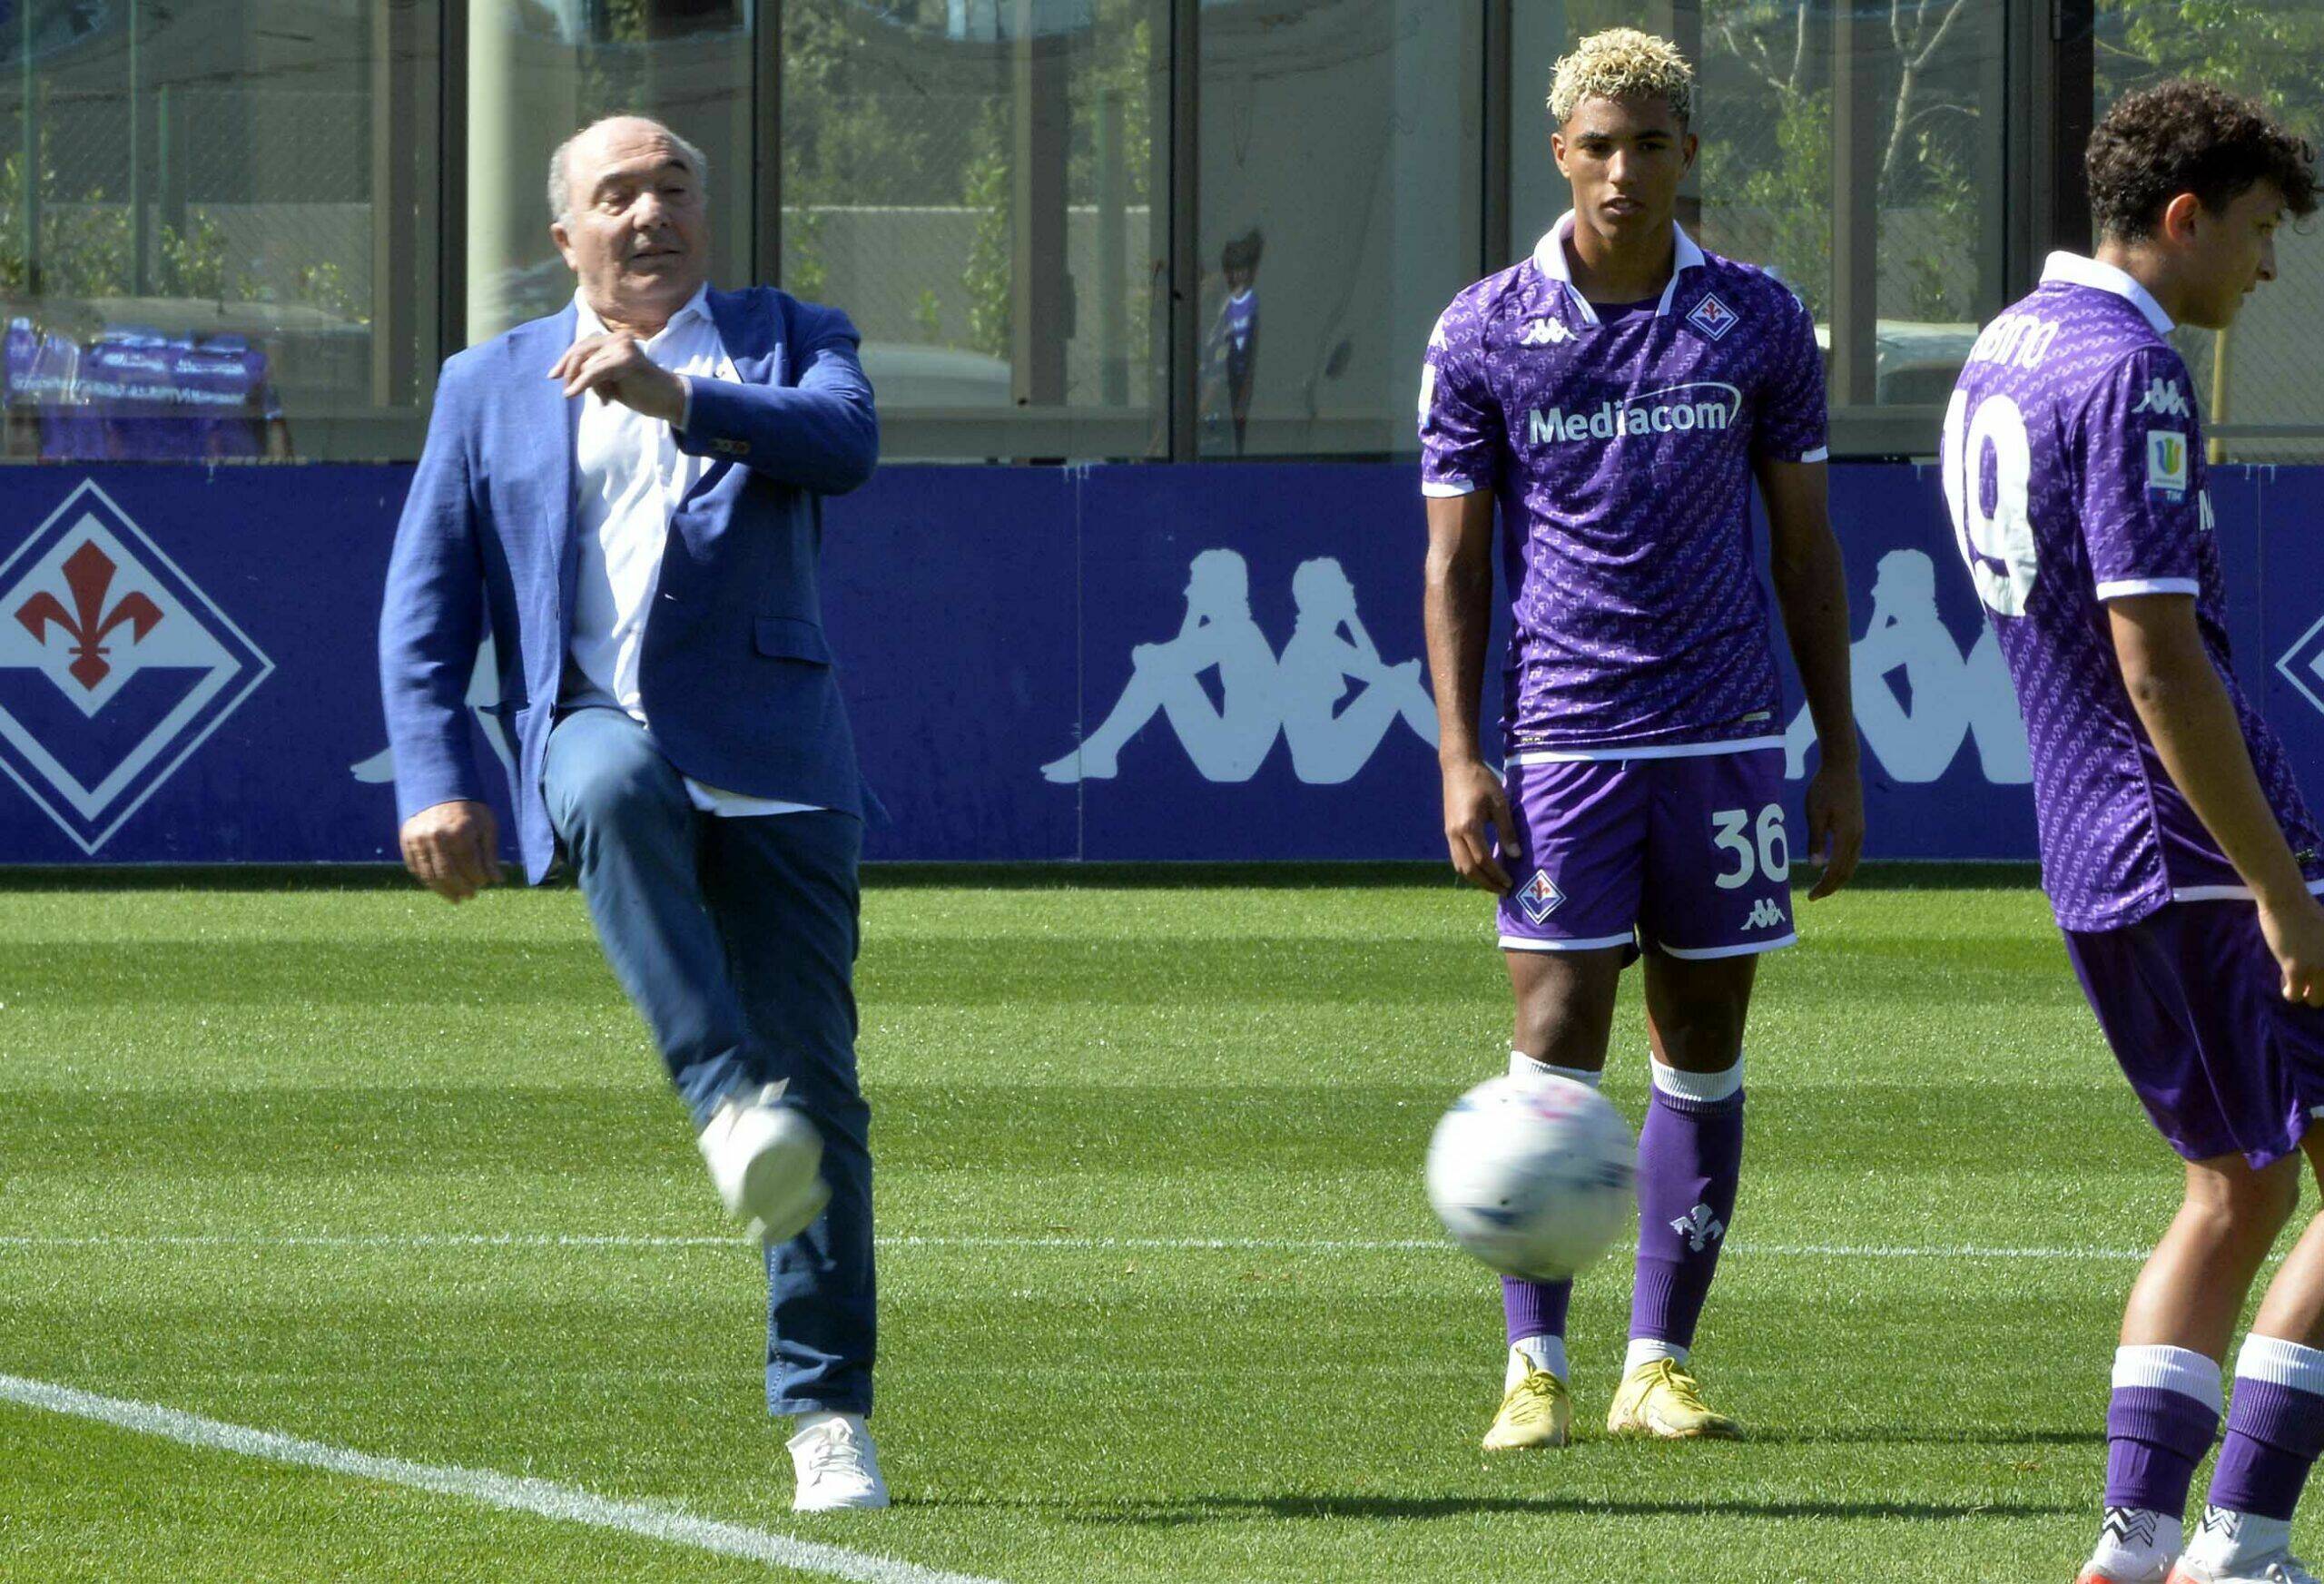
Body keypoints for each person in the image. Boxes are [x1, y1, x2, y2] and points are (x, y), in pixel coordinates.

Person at [377, 114, 887, 1513]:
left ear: (704, 214)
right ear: (567, 235)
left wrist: (678, 396)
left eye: (674, 187)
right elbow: (425, 604)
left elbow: (846, 442)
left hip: (779, 753)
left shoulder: (787, 337)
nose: (651, 211)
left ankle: (827, 1413)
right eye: (618, 194)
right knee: (603, 781)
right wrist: (433, 775)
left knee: (817, 1094)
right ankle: (721, 1100)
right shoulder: (486, 384)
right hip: (597, 722)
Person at [1420, 28, 1862, 1452]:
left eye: (1650, 146)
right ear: (1561, 153)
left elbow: (1806, 549)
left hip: (1726, 735)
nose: (1623, 172)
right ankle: (1532, 1368)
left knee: (1705, 1043)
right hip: (1566, 738)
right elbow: (1454, 566)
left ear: (1687, 155)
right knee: (1554, 1040)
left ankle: (1657, 1364)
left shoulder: (1758, 318)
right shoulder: (1484, 327)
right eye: (1599, 147)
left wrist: (1837, 750)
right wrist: (1462, 754)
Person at [1940, 83, 2324, 1584]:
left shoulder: (2005, 346)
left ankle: (2138, 1538)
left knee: (2235, 1188)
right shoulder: (2132, 370)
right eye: (2259, 230)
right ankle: (2243, 1540)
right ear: (2183, 218)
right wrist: (2280, 887)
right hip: (2198, 851)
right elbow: (2156, 656)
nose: (2269, 267)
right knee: (2250, 1187)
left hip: (2097, 851)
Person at [1041, 546, 1281, 783]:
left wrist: (1147, 653)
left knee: (1157, 670)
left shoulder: (1233, 631)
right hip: (1234, 758)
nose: (1187, 591)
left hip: (1231, 762)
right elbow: (1181, 655)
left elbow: (1164, 660)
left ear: (1217, 589)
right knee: (1163, 670)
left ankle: (1100, 752)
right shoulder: (1238, 628)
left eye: (1196, 583)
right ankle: (1100, 751)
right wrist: (1193, 614)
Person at [1278, 556, 1438, 783]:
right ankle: (1456, 756)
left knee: (1400, 680)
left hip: (1316, 761)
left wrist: (1350, 616)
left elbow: (1371, 666)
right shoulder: (1315, 643)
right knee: (1401, 683)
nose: (1350, 587)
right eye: (1342, 583)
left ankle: (1453, 752)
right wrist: (1404, 674)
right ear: (1324, 596)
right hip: (1322, 762)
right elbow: (1376, 672)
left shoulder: (1316, 638)